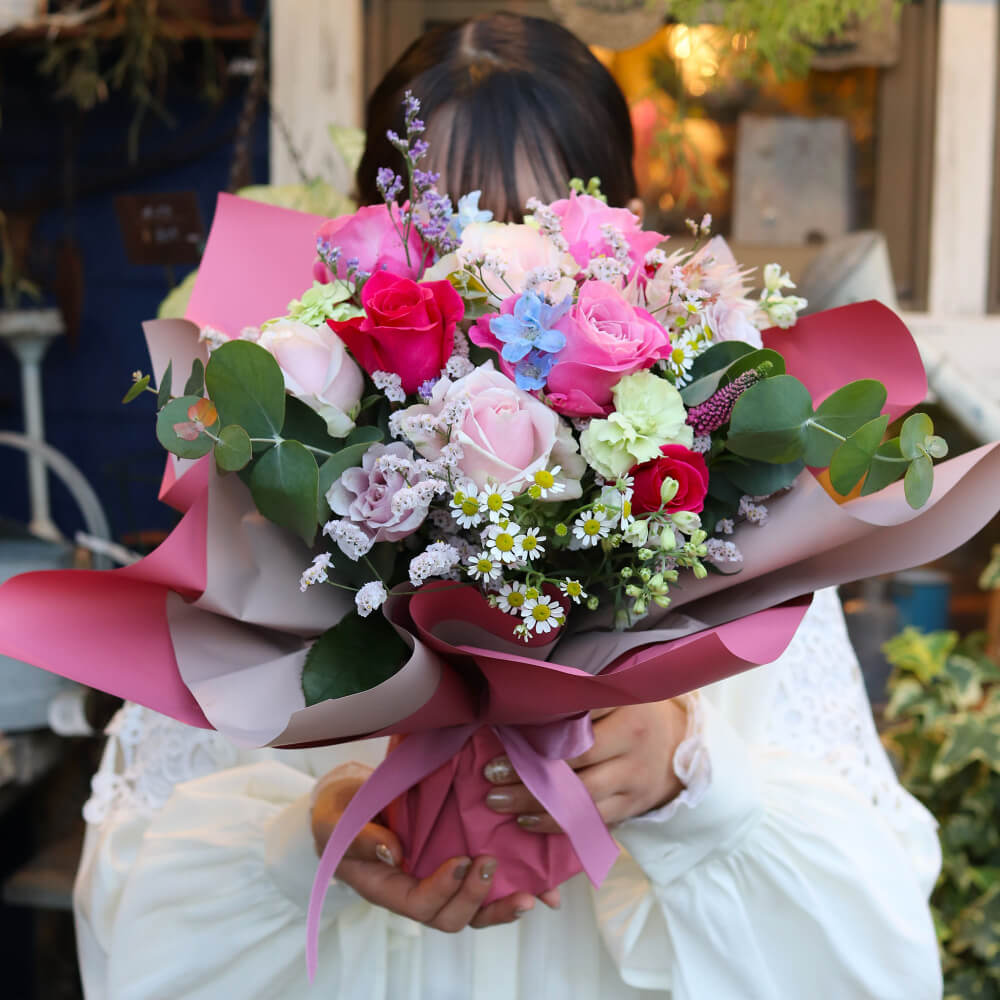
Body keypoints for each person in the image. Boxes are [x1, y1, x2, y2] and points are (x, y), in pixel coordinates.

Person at [73, 13, 943, 999]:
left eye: (532, 225)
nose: (484, 275)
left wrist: (687, 783)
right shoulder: (270, 512)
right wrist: (305, 842)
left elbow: (876, 954)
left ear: (623, 250)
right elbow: (127, 915)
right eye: (442, 225)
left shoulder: (732, 529)